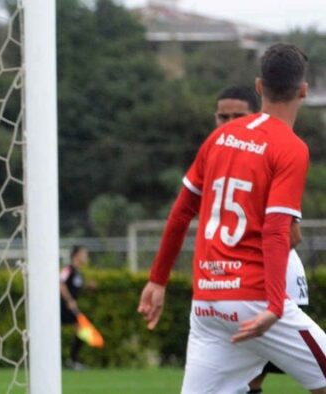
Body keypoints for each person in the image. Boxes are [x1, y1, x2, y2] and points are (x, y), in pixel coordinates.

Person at [138, 44, 326, 394]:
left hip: (208, 301)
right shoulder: (290, 147)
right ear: (303, 90)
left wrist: (157, 280)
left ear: (258, 87)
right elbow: (276, 231)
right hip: (253, 298)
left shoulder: (219, 137)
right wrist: (273, 305)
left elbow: (181, 212)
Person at [216, 85, 311, 393]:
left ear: (255, 116)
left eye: (238, 115)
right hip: (234, 285)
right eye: (222, 116)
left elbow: (289, 234)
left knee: (256, 374)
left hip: (270, 285)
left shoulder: (269, 154)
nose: (229, 122)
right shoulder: (217, 158)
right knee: (245, 379)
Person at [60, 245, 90, 370]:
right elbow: (60, 282)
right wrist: (69, 300)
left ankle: (72, 360)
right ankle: (72, 360)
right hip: (63, 305)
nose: (86, 256)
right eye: (84, 254)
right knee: (82, 328)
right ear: (76, 255)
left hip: (69, 306)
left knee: (82, 329)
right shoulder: (68, 269)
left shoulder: (78, 272)